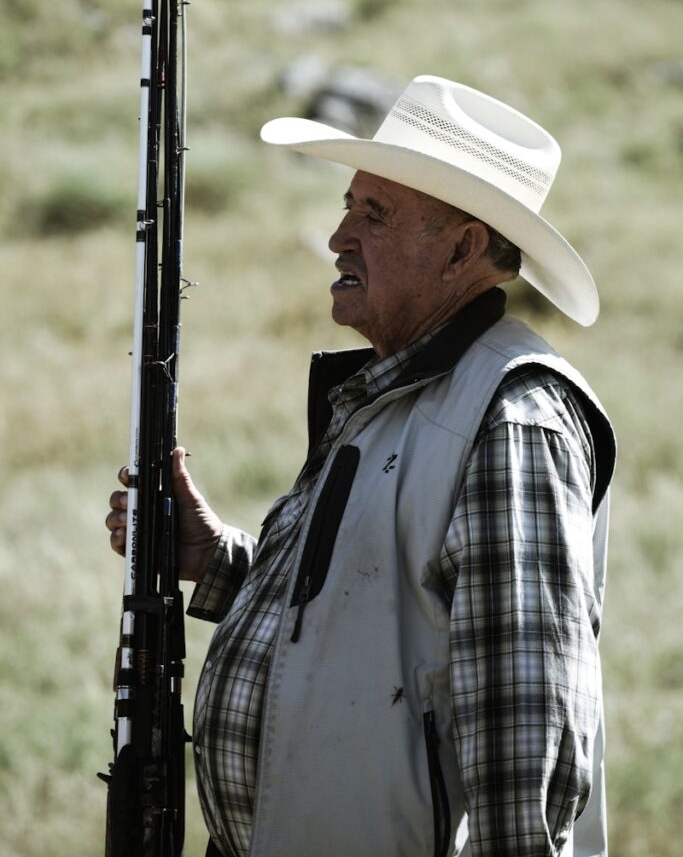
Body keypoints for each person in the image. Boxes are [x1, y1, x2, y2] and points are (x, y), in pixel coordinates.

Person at [107, 75, 616, 857]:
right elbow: (375, 626)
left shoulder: (507, 422)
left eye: (371, 214)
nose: (339, 236)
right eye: (348, 205)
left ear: (461, 247)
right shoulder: (395, 393)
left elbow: (524, 741)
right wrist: (214, 559)